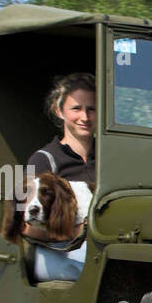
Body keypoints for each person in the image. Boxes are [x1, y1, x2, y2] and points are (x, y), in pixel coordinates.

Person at [24, 72, 96, 282]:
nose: (85, 117)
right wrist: (77, 232)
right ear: (59, 110)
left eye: (91, 109)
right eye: (76, 108)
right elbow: (28, 227)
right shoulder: (44, 160)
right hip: (55, 252)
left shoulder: (107, 160)